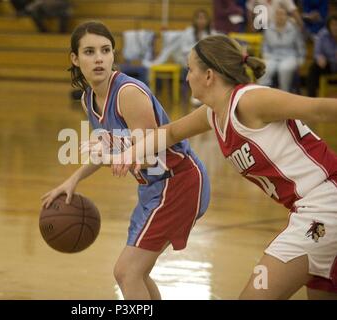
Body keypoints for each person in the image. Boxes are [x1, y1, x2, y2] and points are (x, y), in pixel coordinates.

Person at [110, 34, 337, 299]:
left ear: (208, 75)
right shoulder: (215, 113)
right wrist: (131, 150)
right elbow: (170, 133)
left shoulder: (249, 100)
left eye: (189, 69)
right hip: (313, 210)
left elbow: (320, 109)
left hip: (324, 206)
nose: (186, 77)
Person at [41, 21, 210, 300]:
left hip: (178, 182)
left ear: (113, 54)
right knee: (136, 273)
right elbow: (111, 147)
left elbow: (149, 157)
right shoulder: (88, 99)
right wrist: (73, 180)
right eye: (89, 52)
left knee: (126, 271)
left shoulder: (128, 93)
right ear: (75, 58)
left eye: (105, 50)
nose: (98, 58)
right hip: (152, 189)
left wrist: (109, 155)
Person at [258, 4, 305, 92]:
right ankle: (262, 92)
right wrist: (266, 55)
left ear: (286, 16)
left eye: (282, 14)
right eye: (277, 14)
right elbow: (265, 46)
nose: (280, 16)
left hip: (289, 56)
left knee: (284, 69)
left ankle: (284, 91)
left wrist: (300, 59)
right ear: (275, 16)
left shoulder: (293, 28)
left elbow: (300, 45)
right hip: (272, 55)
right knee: (266, 69)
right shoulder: (268, 29)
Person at [306, 15, 337, 97]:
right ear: (329, 26)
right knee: (313, 68)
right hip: (327, 64)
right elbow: (317, 52)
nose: (335, 27)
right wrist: (319, 58)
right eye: (333, 25)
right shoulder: (322, 34)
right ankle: (311, 99)